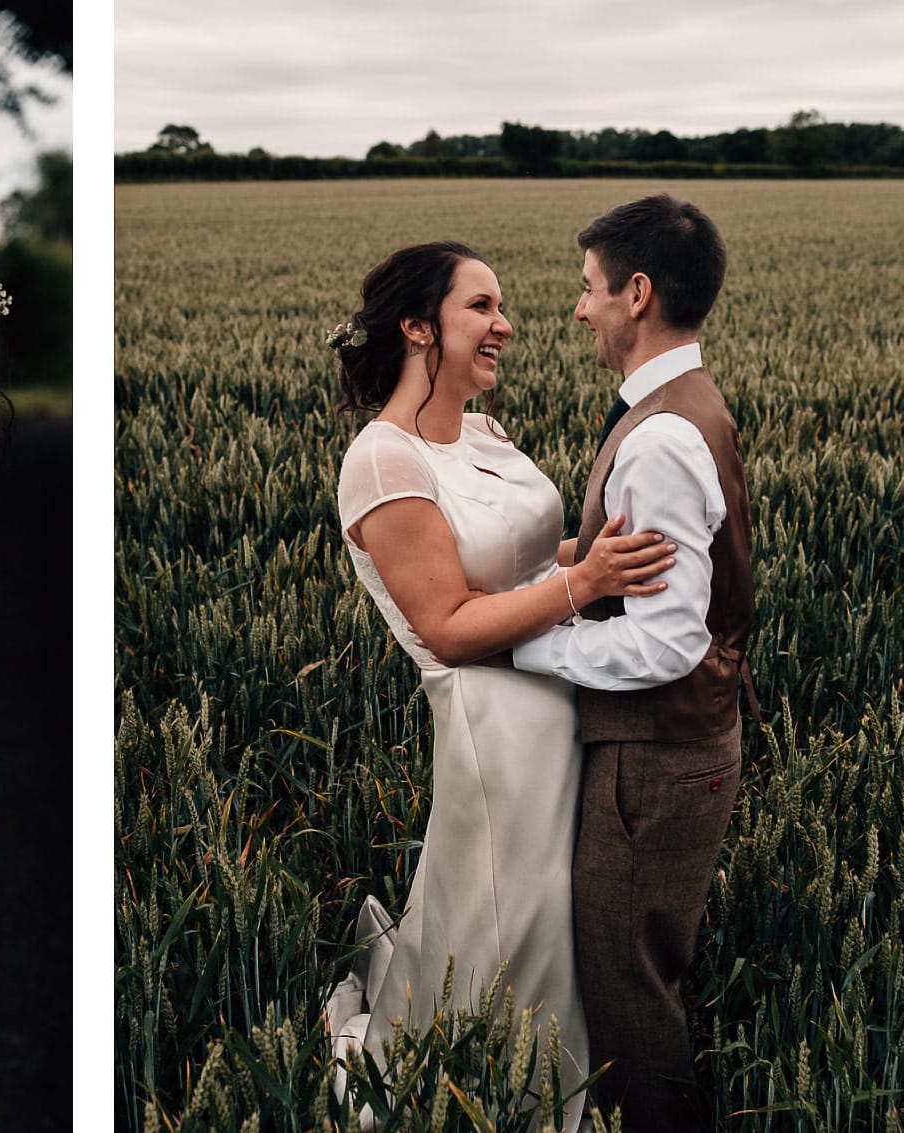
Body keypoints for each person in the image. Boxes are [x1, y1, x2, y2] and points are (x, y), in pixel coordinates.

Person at [322, 241, 678, 1129]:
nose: (505, 324)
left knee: (556, 921)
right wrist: (585, 585)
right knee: (511, 920)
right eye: (481, 306)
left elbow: (512, 560)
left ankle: (544, 1084)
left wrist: (598, 557)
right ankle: (491, 1098)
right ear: (416, 327)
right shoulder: (383, 463)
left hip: (560, 697)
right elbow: (446, 624)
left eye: (502, 305)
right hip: (494, 727)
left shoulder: (479, 431)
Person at [510, 195, 753, 1131]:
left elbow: (665, 639)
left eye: (588, 288)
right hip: (680, 743)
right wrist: (570, 572)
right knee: (637, 972)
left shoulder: (660, 433)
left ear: (636, 292)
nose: (580, 309)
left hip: (655, 758)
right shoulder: (686, 406)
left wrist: (526, 640)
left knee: (627, 988)